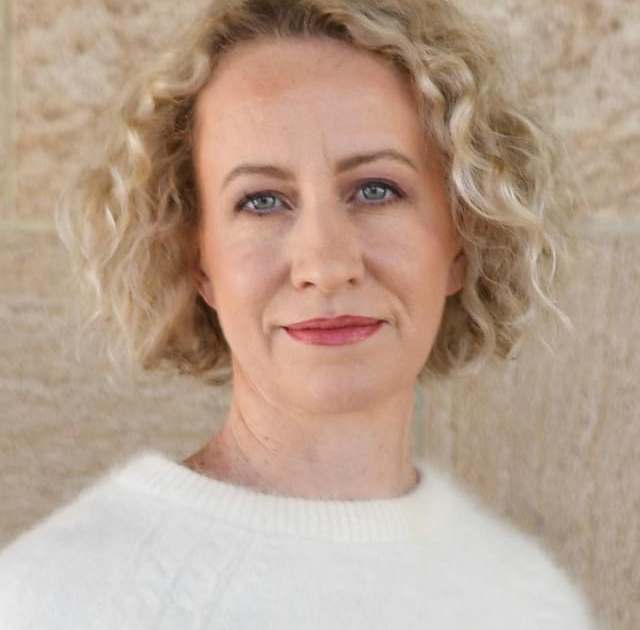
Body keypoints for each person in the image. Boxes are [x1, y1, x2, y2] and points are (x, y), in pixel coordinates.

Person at [0, 0, 598, 628]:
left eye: (376, 190)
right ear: (195, 259)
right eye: (261, 201)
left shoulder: (529, 602)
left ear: (465, 238)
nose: (326, 264)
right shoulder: (54, 598)